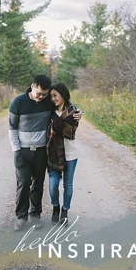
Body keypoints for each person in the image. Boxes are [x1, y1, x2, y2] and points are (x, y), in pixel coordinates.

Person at [8, 75, 81, 231]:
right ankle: (21, 216)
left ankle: (35, 215)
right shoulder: (18, 102)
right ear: (32, 86)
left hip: (42, 151)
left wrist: (78, 112)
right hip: (23, 151)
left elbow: (65, 105)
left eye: (44, 94)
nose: (41, 97)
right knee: (24, 183)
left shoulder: (48, 101)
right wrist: (16, 149)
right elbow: (12, 127)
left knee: (38, 184)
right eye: (39, 93)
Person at [46, 83, 79, 224]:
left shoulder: (73, 112)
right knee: (53, 185)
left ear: (63, 95)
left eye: (55, 95)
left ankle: (65, 212)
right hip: (53, 154)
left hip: (71, 154)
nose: (53, 99)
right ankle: (55, 207)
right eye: (51, 96)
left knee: (68, 185)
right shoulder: (48, 112)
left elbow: (70, 133)